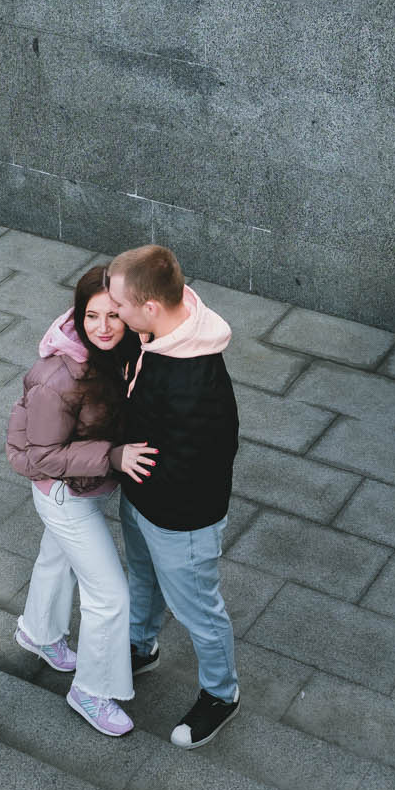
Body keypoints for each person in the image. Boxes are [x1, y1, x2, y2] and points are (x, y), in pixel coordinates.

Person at [6, 265, 157, 737]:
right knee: (110, 594)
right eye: (92, 316)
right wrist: (113, 456)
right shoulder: (59, 377)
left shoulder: (111, 351)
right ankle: (90, 691)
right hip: (62, 491)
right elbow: (41, 456)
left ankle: (38, 632)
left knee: (58, 557)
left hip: (78, 485)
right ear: (78, 314)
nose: (104, 326)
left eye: (114, 315)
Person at [103, 244, 241, 749]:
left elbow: (201, 462)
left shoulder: (194, 382)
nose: (112, 313)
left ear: (152, 307)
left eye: (119, 305)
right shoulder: (157, 332)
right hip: (144, 499)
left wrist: (117, 461)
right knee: (140, 575)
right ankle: (142, 647)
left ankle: (222, 695)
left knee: (198, 610)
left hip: (181, 519)